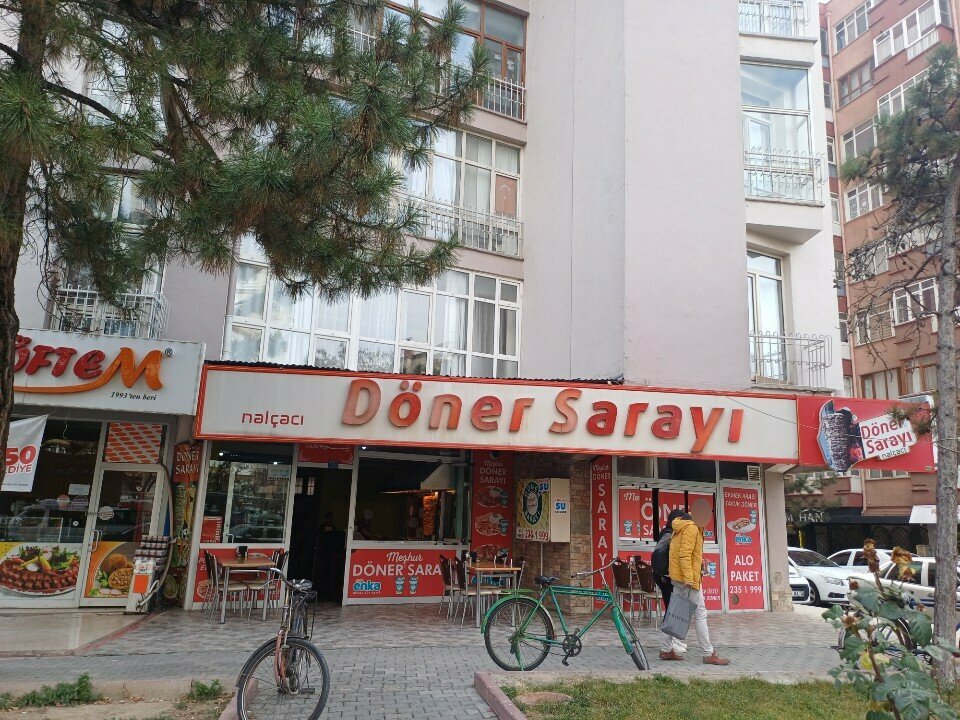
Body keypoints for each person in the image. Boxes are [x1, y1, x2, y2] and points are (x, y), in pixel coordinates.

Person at [659, 508, 730, 665]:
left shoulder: (682, 527)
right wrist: (689, 578)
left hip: (679, 577)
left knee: (675, 612)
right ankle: (708, 653)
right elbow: (684, 555)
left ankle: (665, 649)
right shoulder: (691, 528)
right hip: (687, 579)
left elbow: (687, 554)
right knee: (700, 613)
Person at [652, 509, 687, 657]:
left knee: (672, 608)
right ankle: (669, 643)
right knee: (672, 608)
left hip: (663, 576)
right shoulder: (668, 534)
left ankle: (673, 640)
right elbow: (661, 555)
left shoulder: (667, 532)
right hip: (665, 577)